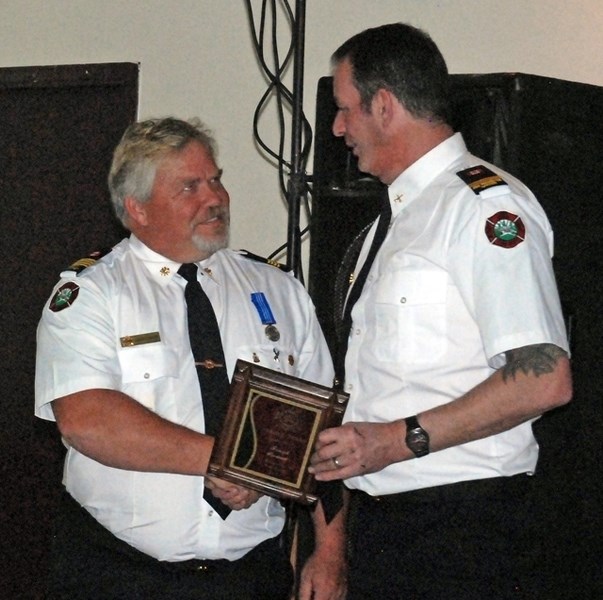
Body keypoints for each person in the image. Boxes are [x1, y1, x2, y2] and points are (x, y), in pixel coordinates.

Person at [308, 23, 573, 599]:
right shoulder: (393, 220)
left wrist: (393, 443)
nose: (336, 128)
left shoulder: (484, 206)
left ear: (383, 105)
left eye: (344, 109)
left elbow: (544, 379)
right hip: (387, 522)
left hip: (464, 527)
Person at [35, 117, 346, 600]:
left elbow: (323, 431)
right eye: (189, 186)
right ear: (137, 208)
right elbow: (86, 420)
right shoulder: (92, 293)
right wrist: (225, 462)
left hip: (250, 574)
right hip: (121, 574)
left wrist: (329, 553)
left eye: (216, 179)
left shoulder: (278, 290)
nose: (214, 197)